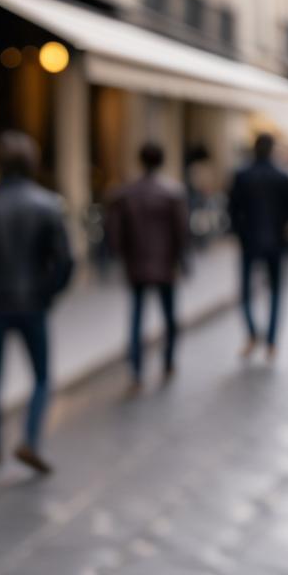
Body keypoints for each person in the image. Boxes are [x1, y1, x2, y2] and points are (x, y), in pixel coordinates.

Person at [0, 131, 73, 474]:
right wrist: (47, 292)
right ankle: (30, 439)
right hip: (33, 302)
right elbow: (65, 261)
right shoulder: (48, 204)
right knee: (41, 377)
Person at [105, 141, 189, 395]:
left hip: (137, 265)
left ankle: (136, 372)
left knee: (136, 320)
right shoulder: (172, 192)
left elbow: (115, 233)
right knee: (169, 318)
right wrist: (182, 261)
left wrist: (122, 257)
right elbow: (181, 232)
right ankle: (168, 362)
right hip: (165, 265)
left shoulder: (126, 193)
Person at [228, 133, 288, 361]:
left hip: (249, 241)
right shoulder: (284, 176)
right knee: (276, 293)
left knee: (245, 292)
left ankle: (253, 334)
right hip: (276, 243)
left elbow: (232, 210)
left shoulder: (242, 175)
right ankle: (271, 342)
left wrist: (240, 233)